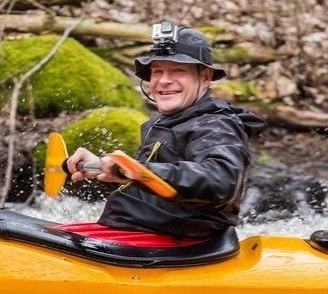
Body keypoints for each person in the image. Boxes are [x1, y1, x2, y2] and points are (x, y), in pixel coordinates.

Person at [66, 22, 265, 239]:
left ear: (205, 78)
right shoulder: (165, 123)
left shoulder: (215, 125)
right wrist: (101, 168)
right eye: (157, 71)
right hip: (139, 235)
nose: (164, 81)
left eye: (178, 71)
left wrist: (138, 171)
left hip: (175, 248)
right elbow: (154, 191)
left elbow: (220, 182)